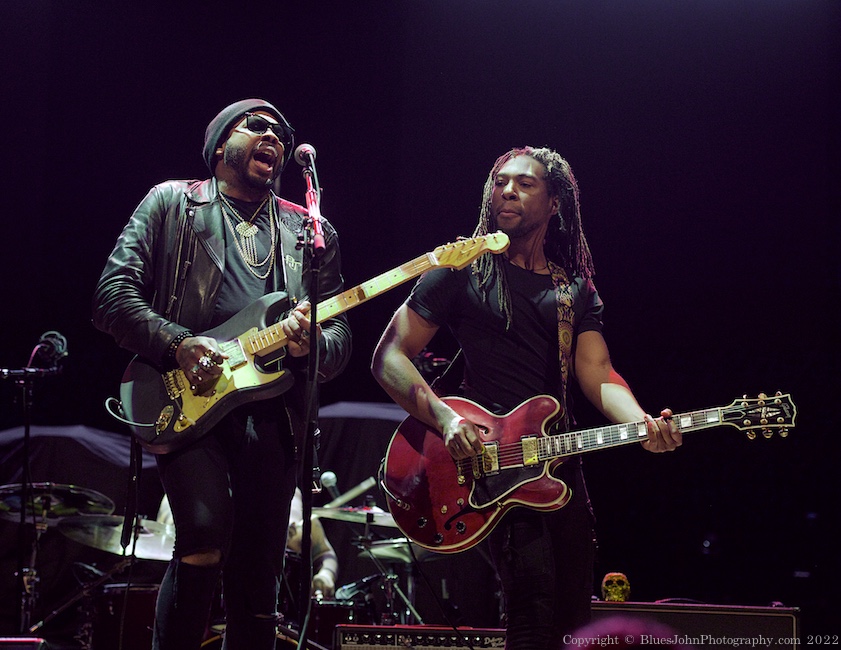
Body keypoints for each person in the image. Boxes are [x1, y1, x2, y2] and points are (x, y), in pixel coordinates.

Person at [371, 146, 681, 649]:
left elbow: (597, 372)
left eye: (524, 183)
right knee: (532, 606)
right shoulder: (461, 268)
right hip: (490, 462)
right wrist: (447, 420)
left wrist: (642, 423)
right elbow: (389, 357)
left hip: (560, 463)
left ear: (555, 202)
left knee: (574, 612)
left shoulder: (572, 288)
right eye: (499, 181)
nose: (507, 191)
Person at [93, 99, 351, 650]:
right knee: (204, 541)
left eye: (281, 133)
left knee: (260, 571)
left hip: (274, 411)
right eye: (257, 126)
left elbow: (339, 342)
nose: (274, 138)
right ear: (219, 145)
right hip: (185, 398)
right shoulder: (171, 204)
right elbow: (111, 298)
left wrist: (310, 347)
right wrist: (178, 344)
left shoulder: (307, 230)